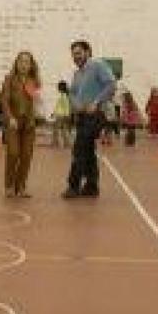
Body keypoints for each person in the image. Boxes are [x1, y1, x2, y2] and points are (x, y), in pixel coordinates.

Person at [62, 40, 116, 199]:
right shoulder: (77, 73)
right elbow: (72, 92)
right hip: (82, 116)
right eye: (73, 54)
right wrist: (76, 105)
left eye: (78, 53)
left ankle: (73, 185)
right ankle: (92, 186)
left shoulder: (98, 65)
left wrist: (96, 102)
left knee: (79, 149)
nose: (75, 57)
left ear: (87, 52)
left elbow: (111, 84)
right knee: (88, 150)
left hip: (95, 115)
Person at [0, 51, 40, 198]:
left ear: (31, 65)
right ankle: (9, 185)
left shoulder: (33, 81)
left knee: (27, 156)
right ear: (16, 64)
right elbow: (4, 100)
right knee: (13, 153)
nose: (24, 64)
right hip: (13, 123)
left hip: (29, 124)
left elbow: (35, 102)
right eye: (21, 61)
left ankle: (21, 186)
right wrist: (10, 117)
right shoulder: (9, 79)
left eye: (27, 62)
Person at [52, 80, 72, 148]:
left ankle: (56, 142)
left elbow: (66, 106)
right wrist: (54, 113)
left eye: (58, 86)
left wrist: (67, 114)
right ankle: (67, 143)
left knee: (56, 129)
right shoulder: (64, 95)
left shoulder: (64, 96)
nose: (57, 88)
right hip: (61, 114)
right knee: (64, 129)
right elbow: (59, 106)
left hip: (61, 115)